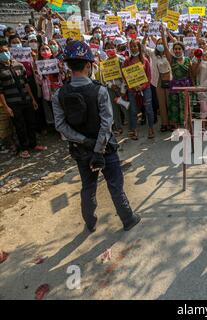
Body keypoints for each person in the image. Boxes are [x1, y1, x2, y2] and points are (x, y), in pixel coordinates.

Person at [52, 40, 141, 232]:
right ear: (88, 65)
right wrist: (99, 149)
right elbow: (106, 124)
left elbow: (61, 126)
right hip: (105, 150)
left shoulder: (58, 94)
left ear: (68, 65)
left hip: (81, 151)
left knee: (88, 187)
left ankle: (90, 223)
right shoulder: (99, 90)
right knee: (115, 185)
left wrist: (85, 141)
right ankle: (128, 218)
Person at [0, 40, 46, 159]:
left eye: (5, 51)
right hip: (13, 103)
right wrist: (6, 107)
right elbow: (0, 92)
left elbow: (26, 84)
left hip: (26, 99)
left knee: (31, 122)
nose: (4, 53)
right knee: (19, 125)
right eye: (1, 52)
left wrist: (33, 100)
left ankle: (34, 144)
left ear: (9, 50)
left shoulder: (19, 65)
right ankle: (24, 148)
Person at [123, 39, 155, 140]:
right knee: (133, 110)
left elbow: (149, 77)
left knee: (148, 109)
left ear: (139, 48)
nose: (133, 48)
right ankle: (134, 130)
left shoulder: (145, 60)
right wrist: (132, 86)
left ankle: (151, 128)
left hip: (145, 88)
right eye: (131, 46)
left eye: (135, 46)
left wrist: (142, 87)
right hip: (132, 89)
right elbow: (125, 76)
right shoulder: (127, 61)